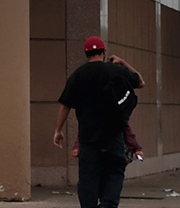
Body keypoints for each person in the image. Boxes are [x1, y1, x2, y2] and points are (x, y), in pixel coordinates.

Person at [53, 36, 143, 208]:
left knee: (88, 177)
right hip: (113, 135)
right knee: (115, 171)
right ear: (103, 52)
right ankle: (108, 205)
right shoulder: (115, 70)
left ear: (86, 53)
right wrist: (122, 62)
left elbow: (65, 105)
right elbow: (140, 82)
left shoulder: (78, 75)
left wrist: (58, 130)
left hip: (88, 137)